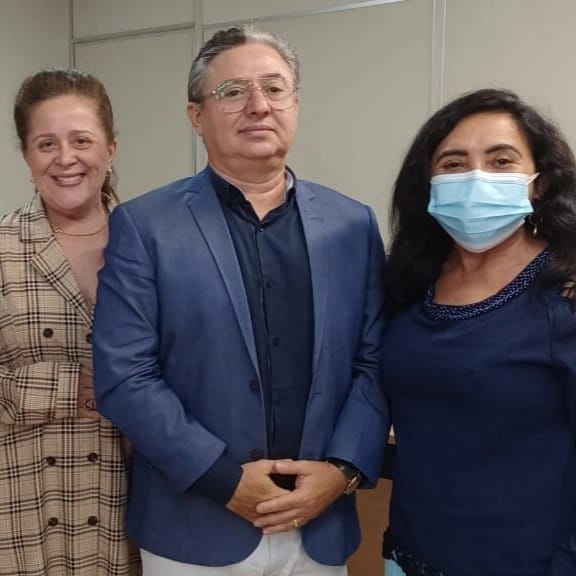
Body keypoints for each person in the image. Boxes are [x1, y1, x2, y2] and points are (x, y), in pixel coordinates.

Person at [92, 25, 387, 576]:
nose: (258, 105)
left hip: (319, 524)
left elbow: (373, 361)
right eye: (232, 91)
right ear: (196, 116)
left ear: (295, 104)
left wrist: (342, 471)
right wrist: (223, 481)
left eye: (274, 89)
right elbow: (125, 375)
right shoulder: (144, 226)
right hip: (194, 525)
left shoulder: (352, 225)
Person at [380, 88, 576, 575]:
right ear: (428, 183)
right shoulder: (409, 281)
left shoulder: (565, 293)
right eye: (453, 163)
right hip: (408, 554)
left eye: (501, 160)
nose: (475, 178)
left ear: (539, 182)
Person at [0, 68, 141, 575]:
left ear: (111, 148)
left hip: (128, 508)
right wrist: (65, 389)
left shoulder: (153, 245)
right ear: (26, 155)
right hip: (22, 511)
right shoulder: (3, 247)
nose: (65, 158)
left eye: (81, 140)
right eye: (46, 143)